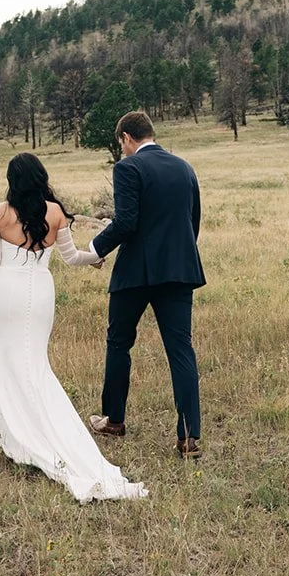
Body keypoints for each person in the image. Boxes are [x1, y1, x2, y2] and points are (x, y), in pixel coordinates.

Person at [0, 153, 147, 501]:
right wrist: (96, 258)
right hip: (39, 294)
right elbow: (71, 257)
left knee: (5, 361)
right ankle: (36, 430)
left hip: (5, 293)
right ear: (41, 177)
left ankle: (13, 434)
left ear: (11, 179)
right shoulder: (55, 212)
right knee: (34, 362)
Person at [88, 111, 207, 459]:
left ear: (126, 138)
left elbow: (126, 221)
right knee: (181, 349)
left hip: (136, 273)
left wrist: (95, 249)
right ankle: (188, 437)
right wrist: (178, 257)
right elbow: (192, 222)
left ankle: (114, 420)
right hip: (179, 270)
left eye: (119, 143)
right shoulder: (185, 168)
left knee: (119, 342)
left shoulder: (128, 168)